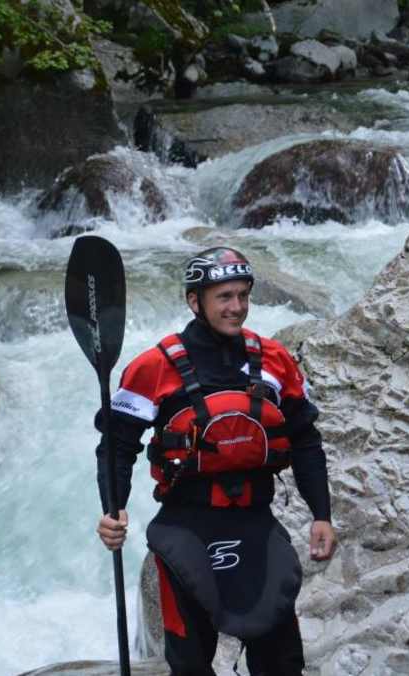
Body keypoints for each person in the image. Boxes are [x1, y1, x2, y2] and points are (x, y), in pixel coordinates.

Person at [94, 246, 337, 675]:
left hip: (255, 525)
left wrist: (322, 514)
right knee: (189, 665)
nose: (237, 307)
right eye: (224, 297)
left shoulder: (275, 360)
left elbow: (304, 438)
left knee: (283, 663)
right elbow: (117, 445)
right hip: (187, 528)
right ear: (195, 301)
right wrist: (113, 509)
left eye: (243, 295)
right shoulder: (153, 367)